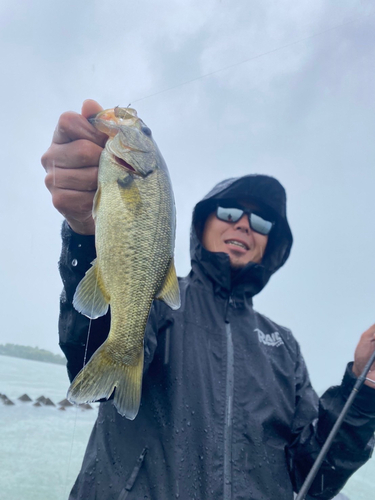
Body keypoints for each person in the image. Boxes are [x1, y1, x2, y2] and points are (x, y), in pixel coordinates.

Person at [42, 100, 375, 500]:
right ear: (202, 223)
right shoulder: (162, 301)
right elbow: (89, 345)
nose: (244, 225)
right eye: (230, 210)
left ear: (272, 243)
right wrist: (84, 233)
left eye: (262, 221)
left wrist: (364, 388)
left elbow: (312, 474)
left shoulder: (283, 346)